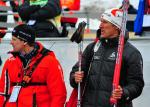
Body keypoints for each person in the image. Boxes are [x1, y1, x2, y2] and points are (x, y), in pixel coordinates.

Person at [69, 8, 144, 107]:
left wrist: (124, 92)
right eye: (101, 21)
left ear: (116, 27)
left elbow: (137, 84)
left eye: (105, 22)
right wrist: (75, 77)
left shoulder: (131, 53)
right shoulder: (92, 47)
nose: (100, 26)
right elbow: (75, 72)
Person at [0, 24, 67, 107]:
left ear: (25, 42)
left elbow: (58, 95)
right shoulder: (10, 62)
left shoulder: (50, 62)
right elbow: (2, 92)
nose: (11, 42)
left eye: (14, 39)